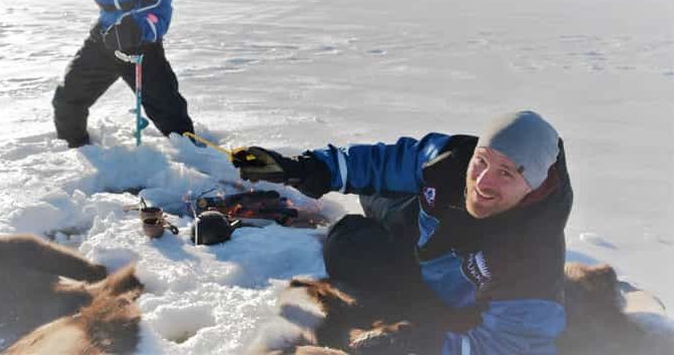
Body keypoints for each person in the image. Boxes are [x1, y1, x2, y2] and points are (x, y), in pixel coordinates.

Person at [234, 111, 572, 354]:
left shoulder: (533, 254)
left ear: (533, 186)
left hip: (439, 289)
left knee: (347, 242)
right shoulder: (451, 159)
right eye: (481, 161)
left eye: (506, 174)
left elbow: (513, 346)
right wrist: (302, 168)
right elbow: (385, 161)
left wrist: (421, 341)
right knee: (372, 191)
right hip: (425, 226)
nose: (482, 182)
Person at [52, 0, 195, 148]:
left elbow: (159, 17)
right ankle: (75, 150)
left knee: (171, 112)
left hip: (143, 50)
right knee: (67, 100)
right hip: (103, 43)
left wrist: (137, 29)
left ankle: (197, 156)